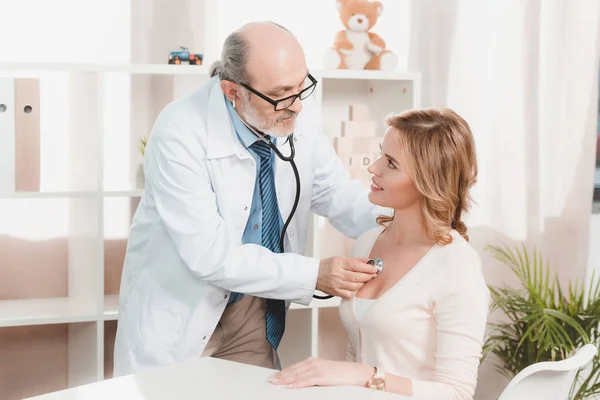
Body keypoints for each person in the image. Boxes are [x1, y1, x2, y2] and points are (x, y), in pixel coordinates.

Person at [112, 21, 385, 377]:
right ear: (232, 92)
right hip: (184, 310)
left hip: (253, 310)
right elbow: (210, 255)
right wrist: (315, 274)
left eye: (303, 86)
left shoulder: (299, 107)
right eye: (282, 93)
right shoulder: (180, 130)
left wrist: (409, 221)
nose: (298, 106)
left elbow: (335, 192)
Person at [270, 108, 491, 399]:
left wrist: (366, 377)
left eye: (391, 163)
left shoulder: (457, 266)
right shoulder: (368, 242)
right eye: (380, 155)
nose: (373, 168)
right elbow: (358, 350)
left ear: (428, 181)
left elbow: (457, 392)